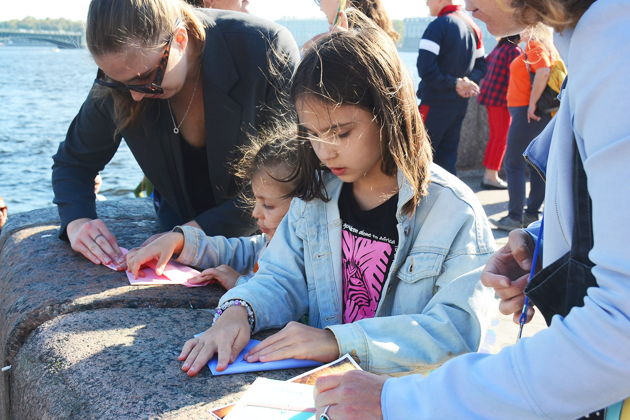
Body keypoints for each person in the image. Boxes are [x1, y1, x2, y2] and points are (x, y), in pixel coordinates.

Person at [313, 0, 630, 417]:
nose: (465, 4)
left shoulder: (615, 51)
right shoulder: (602, 42)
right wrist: (546, 243)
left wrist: (400, 401)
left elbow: (618, 333)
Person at [177, 12, 496, 378]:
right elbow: (280, 276)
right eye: (312, 133)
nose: (325, 151)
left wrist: (336, 340)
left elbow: (456, 331)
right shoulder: (315, 197)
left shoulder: (455, 213)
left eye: (341, 133)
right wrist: (237, 311)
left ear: (389, 113)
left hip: (402, 396)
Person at [51, 0, 299, 269]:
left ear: (180, 39)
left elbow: (293, 173)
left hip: (259, 246)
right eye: (120, 84)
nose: (135, 94)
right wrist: (78, 222)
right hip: (171, 239)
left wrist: (188, 236)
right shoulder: (128, 75)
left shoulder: (265, 48)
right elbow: (74, 162)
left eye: (147, 78)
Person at [126, 123, 299, 290]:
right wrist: (180, 241)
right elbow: (235, 251)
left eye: (268, 205)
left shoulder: (305, 260)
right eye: (256, 202)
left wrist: (241, 283)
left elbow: (287, 299)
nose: (255, 213)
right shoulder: (270, 243)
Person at [491, 24, 557, 231]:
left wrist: (531, 104)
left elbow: (543, 70)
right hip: (535, 114)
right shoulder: (544, 46)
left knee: (514, 163)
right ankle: (530, 214)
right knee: (535, 165)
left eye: (523, 23)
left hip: (527, 113)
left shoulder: (534, 44)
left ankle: (515, 216)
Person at [416, 0, 487, 175]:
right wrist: (467, 83)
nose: (426, 4)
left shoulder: (438, 25)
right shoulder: (473, 26)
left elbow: (425, 69)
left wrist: (455, 83)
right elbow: (482, 66)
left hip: (434, 103)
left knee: (420, 157)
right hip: (459, 104)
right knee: (448, 158)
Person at [477, 35, 522, 190]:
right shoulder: (514, 51)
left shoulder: (498, 49)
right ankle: (491, 176)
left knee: (495, 137)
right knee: (501, 139)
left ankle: (489, 174)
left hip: (490, 98)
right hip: (502, 100)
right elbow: (517, 78)